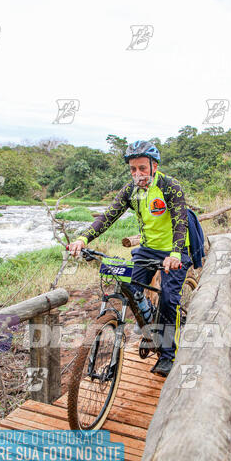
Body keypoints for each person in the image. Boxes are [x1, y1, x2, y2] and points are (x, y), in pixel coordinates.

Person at [67, 140, 192, 377]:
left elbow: (180, 221)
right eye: (133, 169)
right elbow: (107, 217)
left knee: (167, 299)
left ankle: (168, 355)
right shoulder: (130, 191)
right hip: (147, 248)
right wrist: (83, 239)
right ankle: (149, 329)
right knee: (130, 288)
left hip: (175, 251)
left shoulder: (169, 186)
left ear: (154, 166)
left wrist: (175, 253)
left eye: (142, 168)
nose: (138, 174)